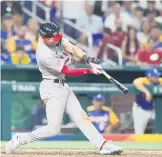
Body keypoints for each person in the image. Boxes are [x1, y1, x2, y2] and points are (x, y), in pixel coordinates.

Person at [5, 22, 123, 155]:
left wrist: (86, 57)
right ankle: (19, 139)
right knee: (53, 129)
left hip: (62, 85)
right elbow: (67, 70)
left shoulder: (53, 38)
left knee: (81, 116)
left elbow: (70, 47)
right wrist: (89, 70)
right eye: (52, 39)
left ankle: (102, 144)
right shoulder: (44, 53)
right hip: (51, 87)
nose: (56, 41)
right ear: (43, 37)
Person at [132, 67, 162, 134]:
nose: (157, 78)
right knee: (139, 132)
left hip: (154, 110)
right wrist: (147, 92)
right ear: (149, 77)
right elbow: (135, 82)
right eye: (155, 76)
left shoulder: (159, 81)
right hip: (141, 109)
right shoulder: (143, 80)